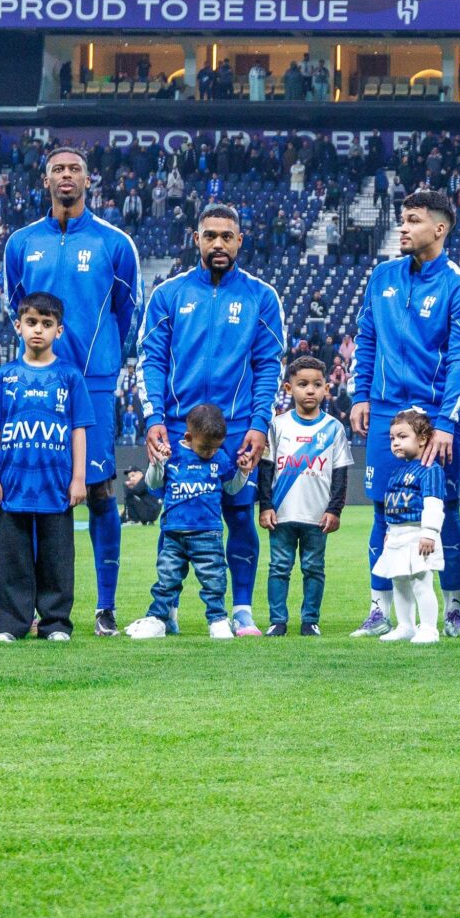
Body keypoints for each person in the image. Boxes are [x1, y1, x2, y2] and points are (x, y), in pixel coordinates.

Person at [0, 147, 140, 636]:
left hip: (93, 381)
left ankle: (104, 606)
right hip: (33, 381)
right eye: (57, 169)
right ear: (45, 180)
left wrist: (103, 363)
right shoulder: (20, 242)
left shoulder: (114, 243)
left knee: (99, 490)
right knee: (31, 489)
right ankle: (33, 608)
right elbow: (15, 307)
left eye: (74, 169)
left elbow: (129, 310)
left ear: (88, 179)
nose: (66, 175)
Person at [139, 205, 286, 636]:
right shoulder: (168, 294)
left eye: (227, 236)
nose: (218, 244)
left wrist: (260, 424)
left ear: (240, 240)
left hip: (237, 428)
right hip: (179, 428)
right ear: (196, 239)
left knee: (239, 516)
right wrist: (153, 418)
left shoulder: (262, 296)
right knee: (177, 517)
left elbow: (268, 366)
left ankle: (240, 608)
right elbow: (151, 360)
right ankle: (167, 608)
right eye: (210, 236)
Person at [348, 190, 460, 638]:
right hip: (386, 411)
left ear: (439, 229)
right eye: (402, 220)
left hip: (434, 419)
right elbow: (365, 338)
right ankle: (379, 610)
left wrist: (446, 422)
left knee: (443, 510)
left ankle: (453, 611)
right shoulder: (382, 276)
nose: (402, 228)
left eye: (412, 221)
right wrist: (360, 395)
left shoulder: (459, 286)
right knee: (384, 511)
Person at [0, 291, 91, 641]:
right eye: (31, 322)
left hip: (55, 485)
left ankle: (55, 623)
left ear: (59, 330)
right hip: (12, 485)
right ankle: (9, 624)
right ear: (18, 326)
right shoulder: (5, 376)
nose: (38, 330)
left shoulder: (70, 377)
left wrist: (78, 478)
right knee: (10, 560)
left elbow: (78, 430)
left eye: (46, 323)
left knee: (58, 560)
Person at [126, 404, 251, 640]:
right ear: (188, 436)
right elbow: (153, 484)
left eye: (215, 447)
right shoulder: (172, 456)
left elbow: (231, 488)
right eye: (205, 447)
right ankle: (158, 619)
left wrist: (242, 473)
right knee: (166, 581)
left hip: (209, 533)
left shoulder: (220, 457)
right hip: (174, 534)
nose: (210, 452)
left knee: (214, 580)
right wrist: (157, 463)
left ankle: (218, 620)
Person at [258, 357, 350, 637]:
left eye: (317, 384)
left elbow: (340, 473)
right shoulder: (277, 425)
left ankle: (310, 620)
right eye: (302, 384)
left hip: (317, 515)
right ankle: (277, 620)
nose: (310, 390)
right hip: (282, 513)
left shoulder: (334, 428)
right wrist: (265, 506)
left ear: (326, 389)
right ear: (289, 388)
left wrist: (334, 510)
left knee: (314, 568)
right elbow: (266, 469)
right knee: (279, 568)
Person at [370, 409, 450, 644]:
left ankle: (428, 628)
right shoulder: (397, 470)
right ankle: (405, 625)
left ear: (423, 439)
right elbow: (391, 503)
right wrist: (388, 531)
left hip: (418, 534)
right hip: (396, 536)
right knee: (399, 582)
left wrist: (429, 533)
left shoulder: (431, 470)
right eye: (393, 438)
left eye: (402, 437)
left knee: (421, 582)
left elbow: (434, 504)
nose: (396, 442)